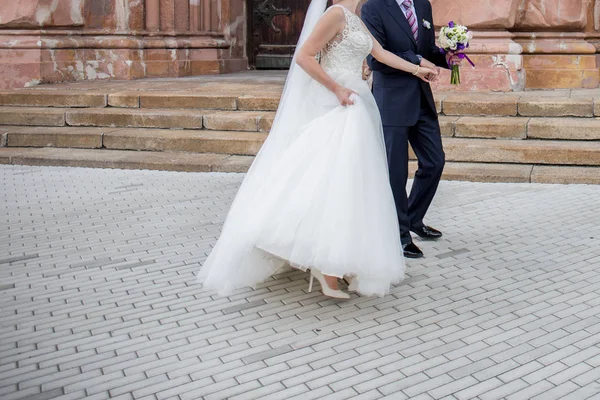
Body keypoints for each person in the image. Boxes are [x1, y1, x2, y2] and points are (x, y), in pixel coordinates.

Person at [197, 0, 438, 298]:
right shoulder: (334, 14)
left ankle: (342, 261)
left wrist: (418, 69)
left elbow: (381, 54)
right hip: (339, 103)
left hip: (358, 105)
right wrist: (336, 88)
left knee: (352, 187)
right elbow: (305, 57)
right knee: (331, 182)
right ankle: (326, 268)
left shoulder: (356, 18)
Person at [362, 0, 462, 258]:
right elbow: (377, 58)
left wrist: (447, 57)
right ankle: (400, 234)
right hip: (391, 101)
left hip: (421, 99)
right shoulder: (373, 7)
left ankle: (414, 218)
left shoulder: (422, 5)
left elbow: (427, 48)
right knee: (396, 172)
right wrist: (417, 62)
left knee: (434, 161)